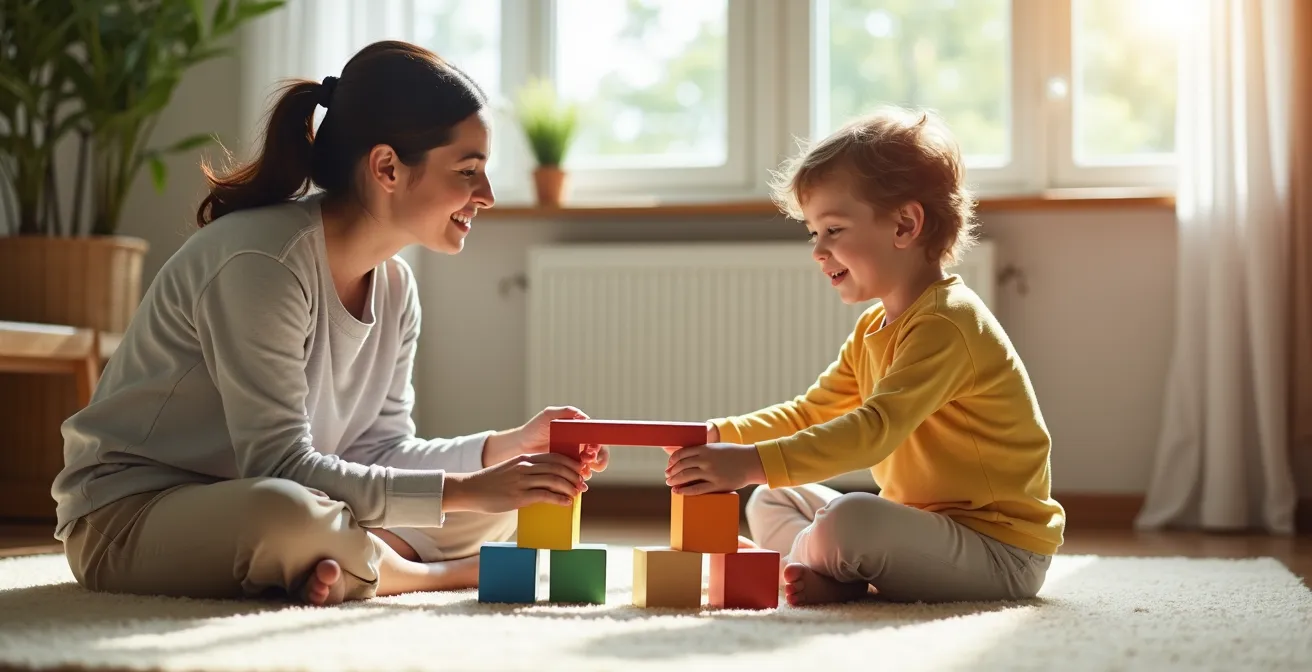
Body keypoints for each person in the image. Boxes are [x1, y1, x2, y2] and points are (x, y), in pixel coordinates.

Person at [50, 40, 606, 606]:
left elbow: (381, 449)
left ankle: (348, 563)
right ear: (387, 167)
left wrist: (507, 450)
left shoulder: (395, 286)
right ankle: (422, 574)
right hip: (129, 517)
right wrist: (468, 489)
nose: (485, 196)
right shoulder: (263, 262)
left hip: (270, 499)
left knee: (506, 504)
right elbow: (280, 466)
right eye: (468, 171)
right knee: (288, 514)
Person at [664, 107, 1065, 606]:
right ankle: (826, 567)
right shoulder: (873, 330)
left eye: (833, 230)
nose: (817, 250)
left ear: (904, 224)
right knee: (773, 495)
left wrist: (749, 462)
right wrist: (720, 435)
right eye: (814, 233)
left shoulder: (946, 323)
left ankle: (805, 562)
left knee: (851, 518)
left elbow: (872, 431)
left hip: (998, 551)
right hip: (921, 528)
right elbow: (809, 413)